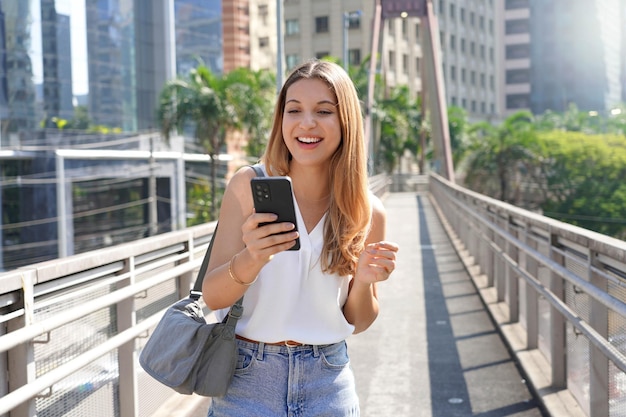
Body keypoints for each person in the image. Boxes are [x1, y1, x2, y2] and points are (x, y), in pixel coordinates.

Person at [202, 59, 399, 416]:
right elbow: (212, 296)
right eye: (294, 110)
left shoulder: (368, 210)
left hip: (328, 381)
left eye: (324, 111)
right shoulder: (248, 187)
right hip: (246, 379)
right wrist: (252, 257)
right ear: (282, 121)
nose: (307, 123)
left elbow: (359, 321)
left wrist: (364, 283)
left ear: (346, 123)